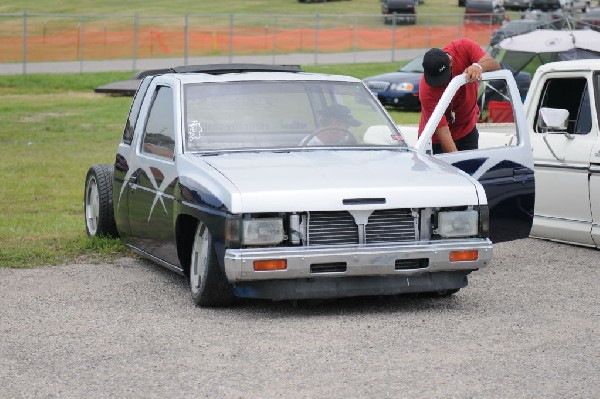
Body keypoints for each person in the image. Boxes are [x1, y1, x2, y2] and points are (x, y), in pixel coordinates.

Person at [418, 38, 501, 154]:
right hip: (435, 141)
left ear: (450, 61)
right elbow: (443, 132)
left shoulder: (463, 47)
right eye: (435, 81)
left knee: (470, 169)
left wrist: (478, 67)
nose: (440, 84)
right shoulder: (426, 90)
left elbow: (495, 65)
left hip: (467, 131)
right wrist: (456, 163)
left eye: (443, 78)